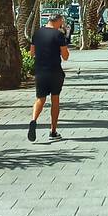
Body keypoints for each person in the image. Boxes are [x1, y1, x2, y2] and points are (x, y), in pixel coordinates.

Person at [28, 11, 71, 142]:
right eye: (61, 21)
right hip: (55, 71)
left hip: (40, 71)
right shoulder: (59, 35)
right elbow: (65, 56)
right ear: (57, 21)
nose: (62, 24)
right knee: (55, 100)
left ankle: (33, 120)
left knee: (40, 99)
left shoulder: (38, 33)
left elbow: (31, 53)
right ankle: (53, 131)